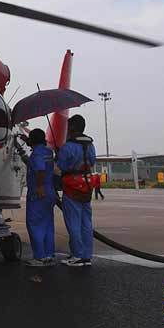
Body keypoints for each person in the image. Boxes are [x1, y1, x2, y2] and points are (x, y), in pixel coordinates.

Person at [54, 114, 96, 267]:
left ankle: (77, 255)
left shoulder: (68, 146)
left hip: (71, 187)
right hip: (86, 186)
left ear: (72, 127)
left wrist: (59, 154)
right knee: (86, 222)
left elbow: (61, 166)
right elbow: (92, 161)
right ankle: (86, 255)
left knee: (73, 222)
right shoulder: (90, 145)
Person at [16, 129, 56, 267]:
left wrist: (39, 186)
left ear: (33, 140)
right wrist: (23, 149)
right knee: (47, 224)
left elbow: (40, 170)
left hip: (38, 194)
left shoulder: (37, 153)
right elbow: (35, 165)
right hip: (49, 192)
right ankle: (48, 255)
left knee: (35, 224)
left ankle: (39, 257)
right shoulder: (48, 152)